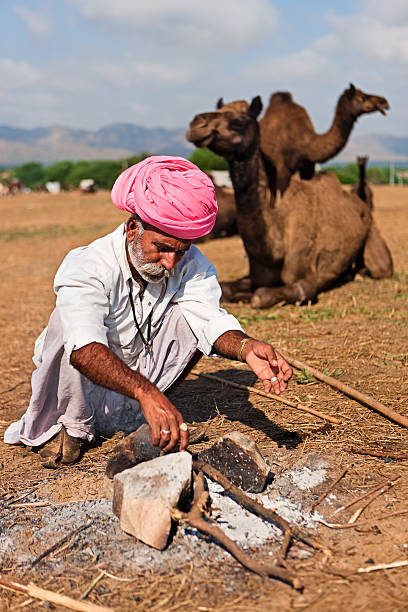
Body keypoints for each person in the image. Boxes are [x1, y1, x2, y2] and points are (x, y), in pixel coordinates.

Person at [4, 156, 292, 468]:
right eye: (163, 247)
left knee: (190, 319)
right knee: (69, 325)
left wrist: (245, 347)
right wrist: (147, 393)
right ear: (132, 229)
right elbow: (84, 350)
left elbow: (209, 319)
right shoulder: (88, 265)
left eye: (180, 251)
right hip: (80, 392)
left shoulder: (191, 263)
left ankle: (132, 417)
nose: (171, 262)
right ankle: (72, 426)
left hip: (137, 392)